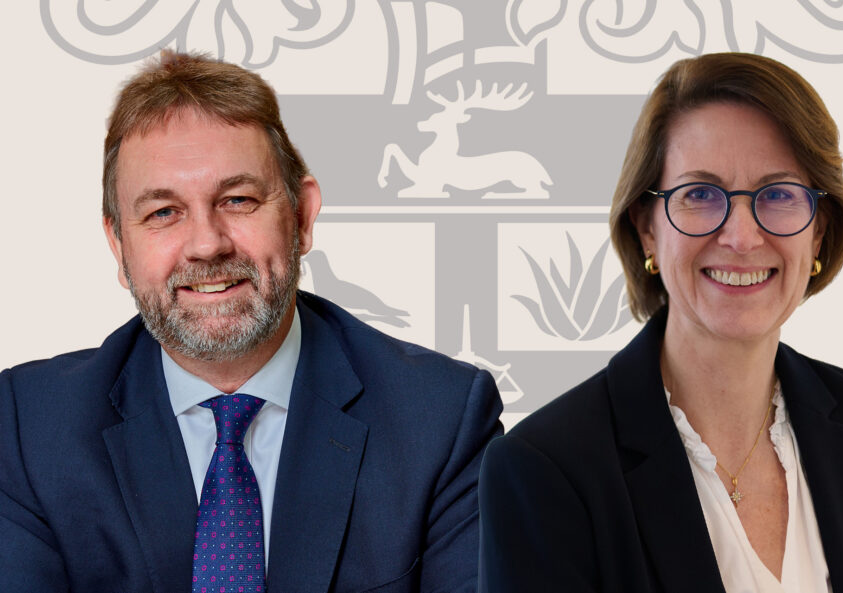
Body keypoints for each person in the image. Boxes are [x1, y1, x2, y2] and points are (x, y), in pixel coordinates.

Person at [0, 50, 502, 593]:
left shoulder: (442, 419)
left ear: (302, 217)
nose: (207, 244)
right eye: (163, 212)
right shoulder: (29, 427)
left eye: (238, 200)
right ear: (119, 244)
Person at [478, 52, 843, 592]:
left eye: (779, 194)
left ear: (819, 232)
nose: (741, 237)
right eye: (700, 195)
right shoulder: (545, 472)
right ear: (647, 228)